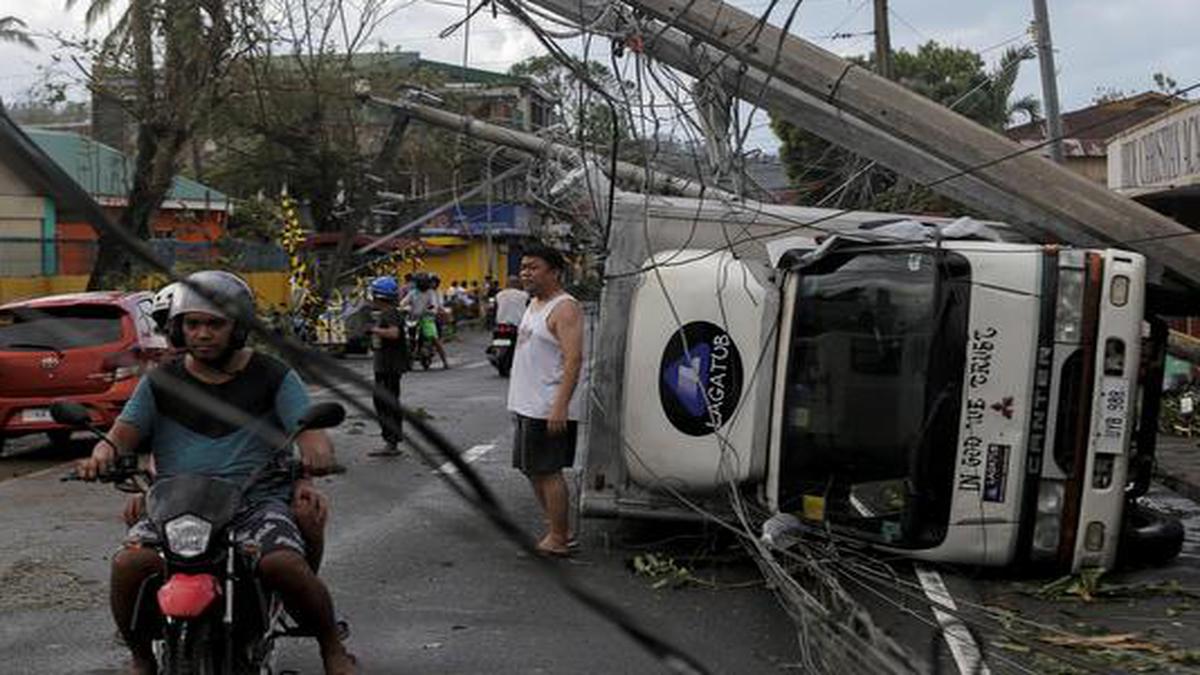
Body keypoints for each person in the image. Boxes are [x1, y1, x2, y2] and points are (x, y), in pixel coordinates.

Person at [77, 270, 356, 675]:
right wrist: (100, 455)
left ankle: (331, 646)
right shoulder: (161, 382)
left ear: (238, 328)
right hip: (176, 506)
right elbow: (121, 435)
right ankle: (140, 657)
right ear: (178, 328)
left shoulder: (273, 375)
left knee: (283, 564)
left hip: (255, 505)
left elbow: (310, 433)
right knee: (127, 564)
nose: (202, 334)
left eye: (214, 324)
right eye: (192, 324)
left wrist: (317, 455)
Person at [507, 245, 585, 557]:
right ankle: (559, 530)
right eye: (524, 267)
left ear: (555, 271)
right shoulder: (535, 302)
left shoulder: (565, 308)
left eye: (534, 267)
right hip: (527, 403)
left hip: (547, 405)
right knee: (532, 468)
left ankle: (558, 538)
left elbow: (574, 360)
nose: (526, 272)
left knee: (548, 470)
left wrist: (560, 405)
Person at [366, 276, 407, 456]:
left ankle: (391, 442)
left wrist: (373, 330)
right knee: (386, 402)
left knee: (385, 403)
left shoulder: (389, 312)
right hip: (386, 365)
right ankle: (392, 441)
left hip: (389, 365)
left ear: (378, 295)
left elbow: (393, 333)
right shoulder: (388, 311)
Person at [401, 274, 450, 369]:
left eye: (424, 282)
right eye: (420, 282)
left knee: (434, 339)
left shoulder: (431, 293)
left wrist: (431, 311)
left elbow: (434, 305)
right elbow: (403, 302)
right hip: (413, 318)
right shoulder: (413, 293)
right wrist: (403, 307)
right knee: (405, 335)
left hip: (427, 319)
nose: (422, 284)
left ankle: (445, 361)